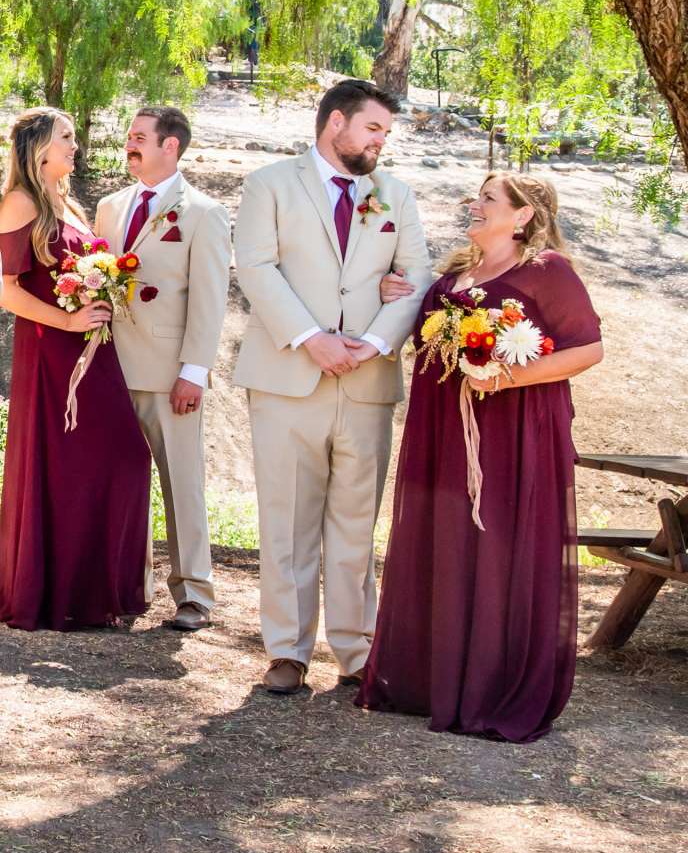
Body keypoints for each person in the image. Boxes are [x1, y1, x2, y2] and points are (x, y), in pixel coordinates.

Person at [362, 175, 603, 742]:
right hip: (443, 430)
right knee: (445, 537)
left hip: (512, 435)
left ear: (521, 217)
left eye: (488, 200)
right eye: (476, 197)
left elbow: (588, 348)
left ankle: (493, 684)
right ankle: (432, 677)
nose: (475, 205)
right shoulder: (454, 277)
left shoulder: (548, 273)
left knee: (498, 544)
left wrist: (507, 376)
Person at [230, 78, 431, 695]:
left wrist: (371, 343)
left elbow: (416, 275)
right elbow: (256, 267)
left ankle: (357, 651)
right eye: (373, 129)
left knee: (354, 522)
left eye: (386, 134)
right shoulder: (270, 184)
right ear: (335, 124)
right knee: (287, 519)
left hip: (367, 382)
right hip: (289, 377)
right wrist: (311, 337)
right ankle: (287, 651)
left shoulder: (395, 194)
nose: (380, 142)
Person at [0, 109, 154, 631]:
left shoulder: (70, 203)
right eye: (66, 138)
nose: (74, 147)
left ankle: (90, 588)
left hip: (94, 347)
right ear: (39, 147)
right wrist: (67, 318)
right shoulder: (21, 203)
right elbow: (5, 290)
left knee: (120, 457)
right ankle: (60, 591)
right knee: (73, 464)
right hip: (52, 352)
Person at [91, 105, 231, 631]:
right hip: (108, 365)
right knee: (119, 481)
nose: (130, 145)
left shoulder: (203, 212)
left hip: (169, 370)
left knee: (182, 483)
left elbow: (210, 300)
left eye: (139, 137)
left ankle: (194, 592)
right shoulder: (109, 207)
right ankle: (129, 583)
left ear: (170, 146)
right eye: (129, 136)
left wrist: (193, 371)